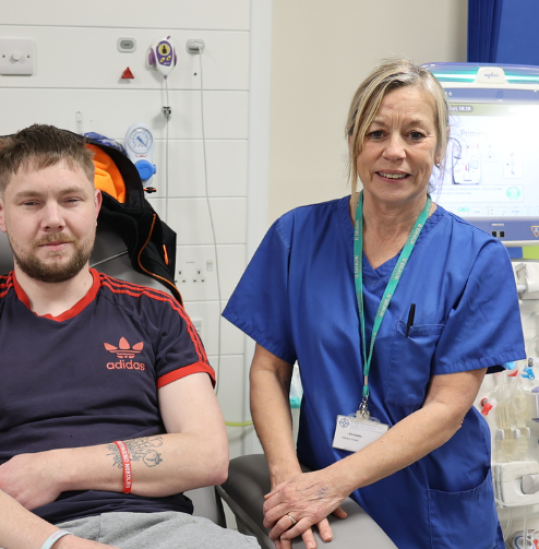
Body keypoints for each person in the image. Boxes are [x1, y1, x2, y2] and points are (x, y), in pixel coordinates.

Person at [0, 124, 257, 549]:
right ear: (0, 212)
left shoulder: (157, 312)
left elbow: (208, 456)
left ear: (96, 206)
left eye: (71, 200)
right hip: (17, 538)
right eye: (30, 203)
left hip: (162, 532)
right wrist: (61, 545)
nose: (53, 220)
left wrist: (56, 469)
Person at [223, 59, 524, 549]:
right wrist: (287, 475)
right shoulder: (296, 237)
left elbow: (447, 408)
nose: (394, 151)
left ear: (441, 148)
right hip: (327, 511)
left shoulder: (476, 259)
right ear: (353, 141)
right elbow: (268, 371)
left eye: (415, 135)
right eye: (377, 132)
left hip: (432, 513)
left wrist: (330, 483)